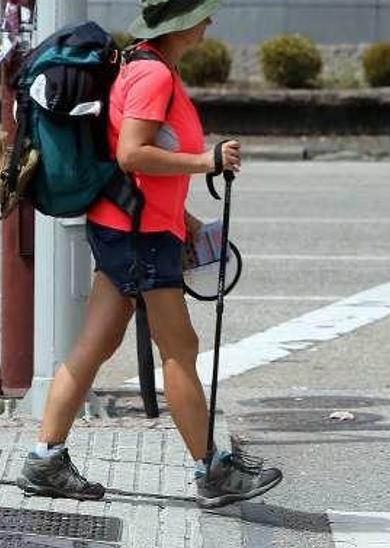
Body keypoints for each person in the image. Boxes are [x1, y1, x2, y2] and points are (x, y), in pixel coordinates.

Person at [16, 0, 282, 509]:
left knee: (96, 342)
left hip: (132, 227)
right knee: (179, 349)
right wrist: (207, 160)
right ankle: (212, 471)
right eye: (202, 15)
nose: (209, 22)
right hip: (137, 236)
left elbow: (135, 162)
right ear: (179, 24)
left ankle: (45, 459)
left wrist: (184, 222)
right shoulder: (152, 77)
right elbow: (131, 153)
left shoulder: (146, 66)